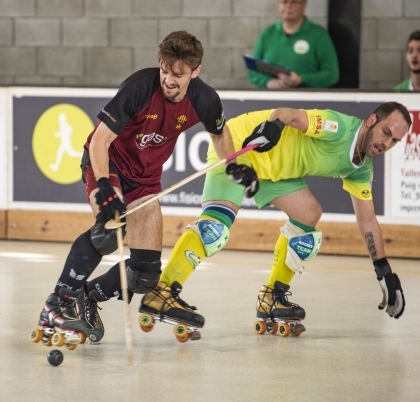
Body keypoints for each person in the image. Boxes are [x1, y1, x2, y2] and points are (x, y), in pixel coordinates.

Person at [33, 30, 277, 344]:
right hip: (109, 165)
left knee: (145, 274)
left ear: (195, 72)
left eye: (179, 75)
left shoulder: (204, 98)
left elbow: (219, 132)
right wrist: (105, 184)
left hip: (146, 181)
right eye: (164, 71)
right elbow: (99, 140)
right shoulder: (138, 88)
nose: (169, 80)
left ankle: (88, 296)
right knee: (110, 231)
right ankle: (56, 304)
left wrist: (232, 164)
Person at [146, 102, 409, 337]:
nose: (386, 144)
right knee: (216, 228)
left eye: (395, 141)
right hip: (238, 146)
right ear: (372, 120)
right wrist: (275, 125)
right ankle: (162, 291)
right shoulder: (339, 127)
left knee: (308, 215)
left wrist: (383, 269)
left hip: (274, 171)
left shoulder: (362, 168)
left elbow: (367, 220)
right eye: (386, 133)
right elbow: (288, 114)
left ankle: (272, 297)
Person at [248, 0, 339, 89]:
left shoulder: (319, 35)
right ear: (279, 4)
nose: (288, 6)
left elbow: (332, 75)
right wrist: (269, 82)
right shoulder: (267, 34)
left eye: (294, 2)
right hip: (271, 100)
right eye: (284, 1)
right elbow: (253, 71)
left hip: (306, 101)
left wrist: (302, 80)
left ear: (304, 6)